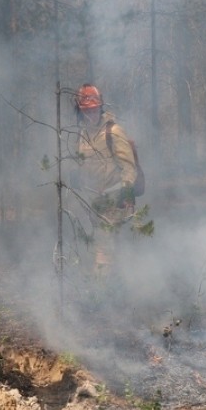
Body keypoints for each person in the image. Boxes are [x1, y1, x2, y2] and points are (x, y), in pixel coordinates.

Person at [73, 83, 136, 277]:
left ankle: (100, 289)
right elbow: (82, 161)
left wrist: (126, 192)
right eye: (86, 111)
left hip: (114, 198)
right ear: (80, 111)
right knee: (108, 244)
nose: (90, 115)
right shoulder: (83, 134)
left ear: (100, 108)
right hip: (94, 199)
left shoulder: (113, 131)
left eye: (94, 110)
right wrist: (76, 175)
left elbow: (129, 167)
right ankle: (122, 282)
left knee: (104, 245)